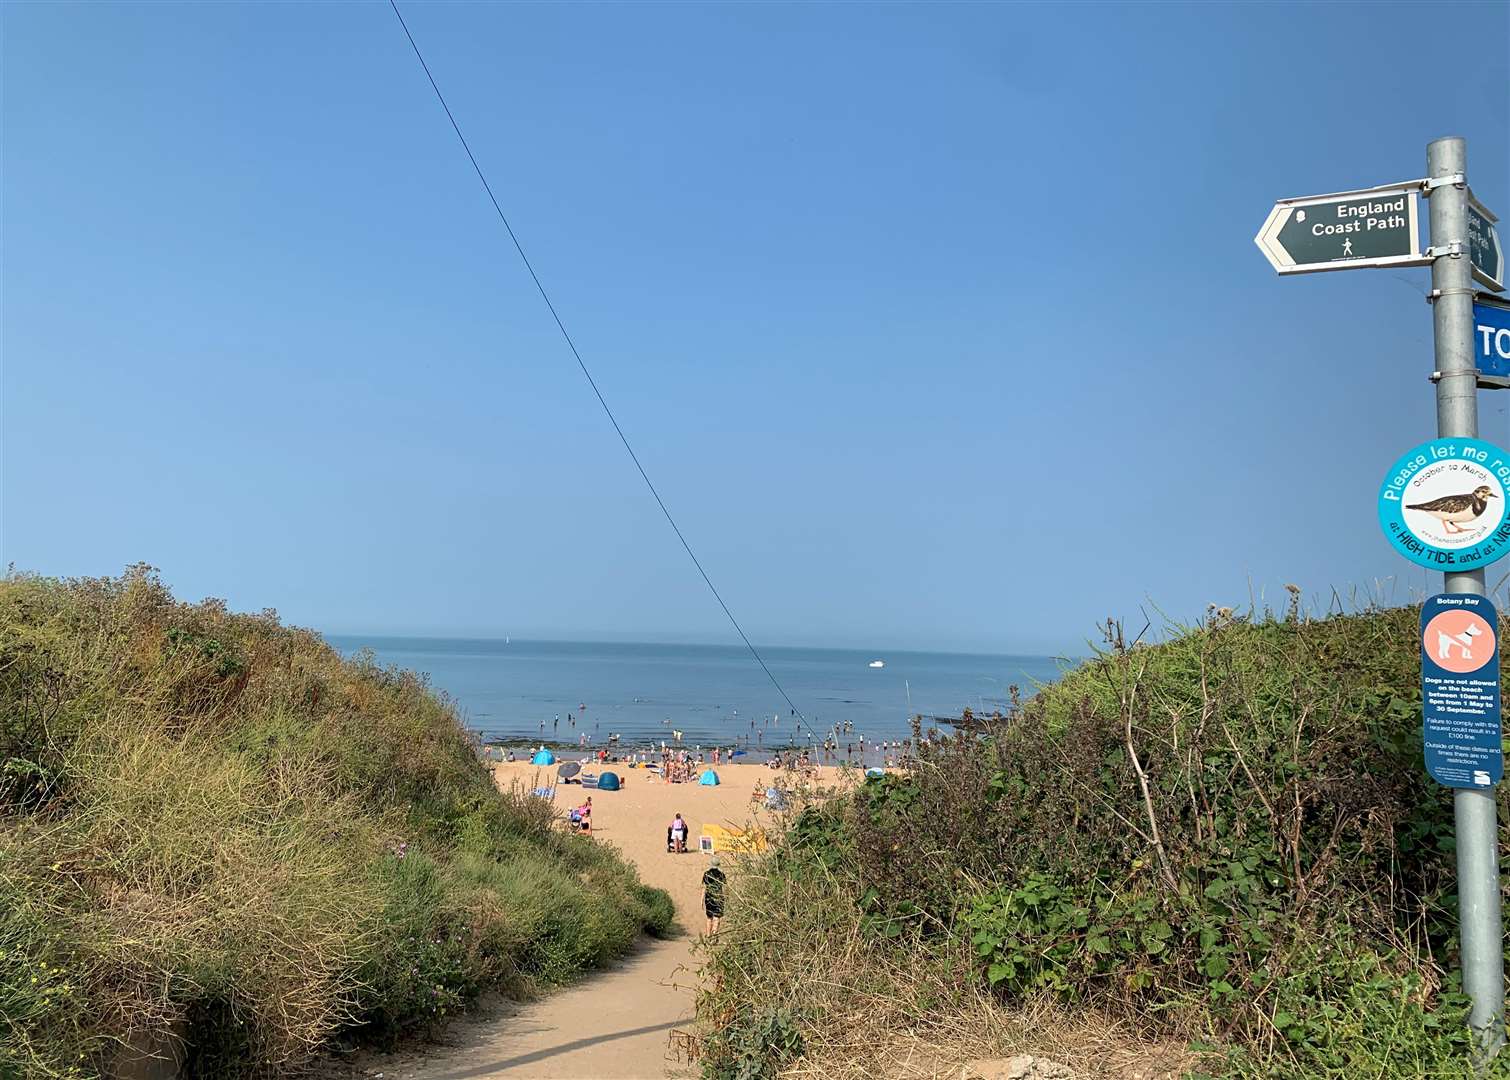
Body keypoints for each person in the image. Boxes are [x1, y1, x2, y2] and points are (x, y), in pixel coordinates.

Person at [702, 855, 726, 936]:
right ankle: (714, 934)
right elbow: (724, 887)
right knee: (717, 917)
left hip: (708, 898)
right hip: (718, 897)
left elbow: (704, 887)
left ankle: (708, 936)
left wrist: (701, 899)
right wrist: (725, 897)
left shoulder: (706, 874)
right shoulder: (721, 875)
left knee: (709, 918)